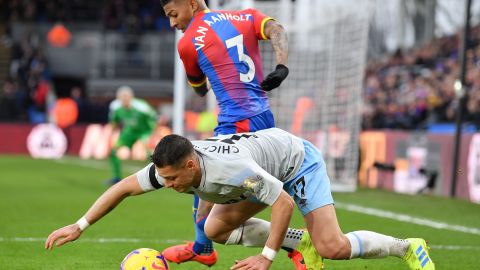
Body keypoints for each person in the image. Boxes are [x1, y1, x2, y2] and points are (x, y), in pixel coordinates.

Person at [45, 128, 435, 270]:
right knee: (213, 228)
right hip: (265, 168)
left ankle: (406, 247)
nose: (165, 185)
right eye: (160, 178)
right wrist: (79, 225)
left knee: (332, 247)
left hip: (297, 163)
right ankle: (301, 244)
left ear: (190, 165)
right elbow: (122, 189)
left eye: (171, 178)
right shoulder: (173, 165)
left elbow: (281, 201)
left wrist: (265, 258)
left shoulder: (232, 173)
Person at [159, 0, 291, 266]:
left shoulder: (188, 43)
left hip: (236, 123)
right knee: (257, 186)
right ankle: (202, 246)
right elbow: (277, 29)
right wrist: (281, 68)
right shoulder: (245, 16)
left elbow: (199, 88)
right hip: (264, 115)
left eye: (174, 14)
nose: (173, 24)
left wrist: (206, 76)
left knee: (198, 172)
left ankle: (294, 242)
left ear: (192, 3)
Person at [107, 86, 157, 184]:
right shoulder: (116, 108)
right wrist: (111, 133)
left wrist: (152, 132)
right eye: (122, 97)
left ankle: (158, 175)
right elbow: (114, 122)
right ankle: (116, 177)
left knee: (147, 152)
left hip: (144, 131)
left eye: (126, 97)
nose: (125, 99)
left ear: (131, 97)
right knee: (113, 150)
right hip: (129, 132)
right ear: (119, 98)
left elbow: (154, 116)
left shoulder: (141, 107)